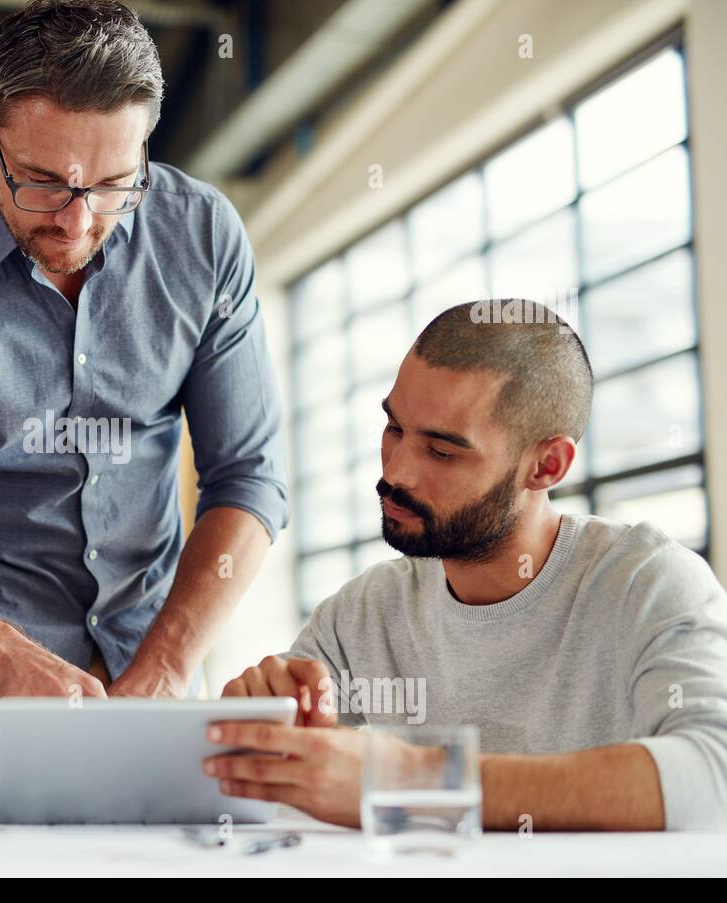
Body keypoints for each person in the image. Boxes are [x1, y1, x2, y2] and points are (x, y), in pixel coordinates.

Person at [0, 0, 289, 808]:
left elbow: (249, 479)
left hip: (153, 670)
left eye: (114, 186)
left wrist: (164, 668)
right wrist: (4, 659)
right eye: (47, 183)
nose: (80, 220)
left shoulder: (202, 238)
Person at [207, 300, 727, 832]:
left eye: (441, 451)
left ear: (547, 466)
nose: (397, 471)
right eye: (394, 429)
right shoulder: (367, 611)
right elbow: (257, 767)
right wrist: (256, 721)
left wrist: (412, 777)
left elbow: (714, 773)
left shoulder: (648, 583)